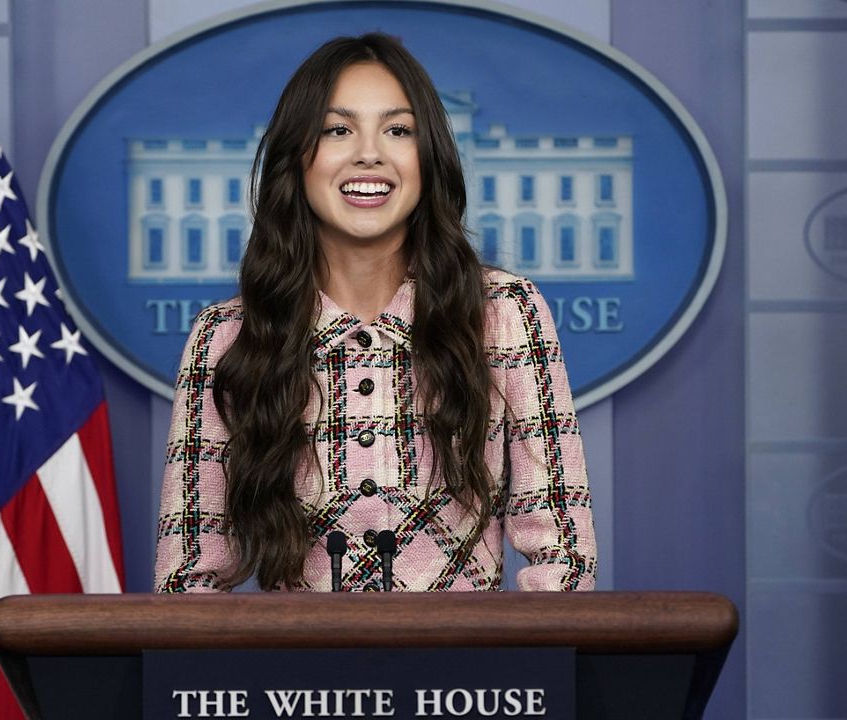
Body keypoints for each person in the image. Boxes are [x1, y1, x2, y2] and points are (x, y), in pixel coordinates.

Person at [154, 33, 595, 592]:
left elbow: (564, 555)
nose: (370, 152)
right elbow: (189, 576)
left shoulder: (504, 312)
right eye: (338, 130)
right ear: (297, 159)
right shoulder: (226, 336)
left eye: (398, 130)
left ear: (428, 157)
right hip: (292, 674)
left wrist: (519, 670)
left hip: (468, 673)